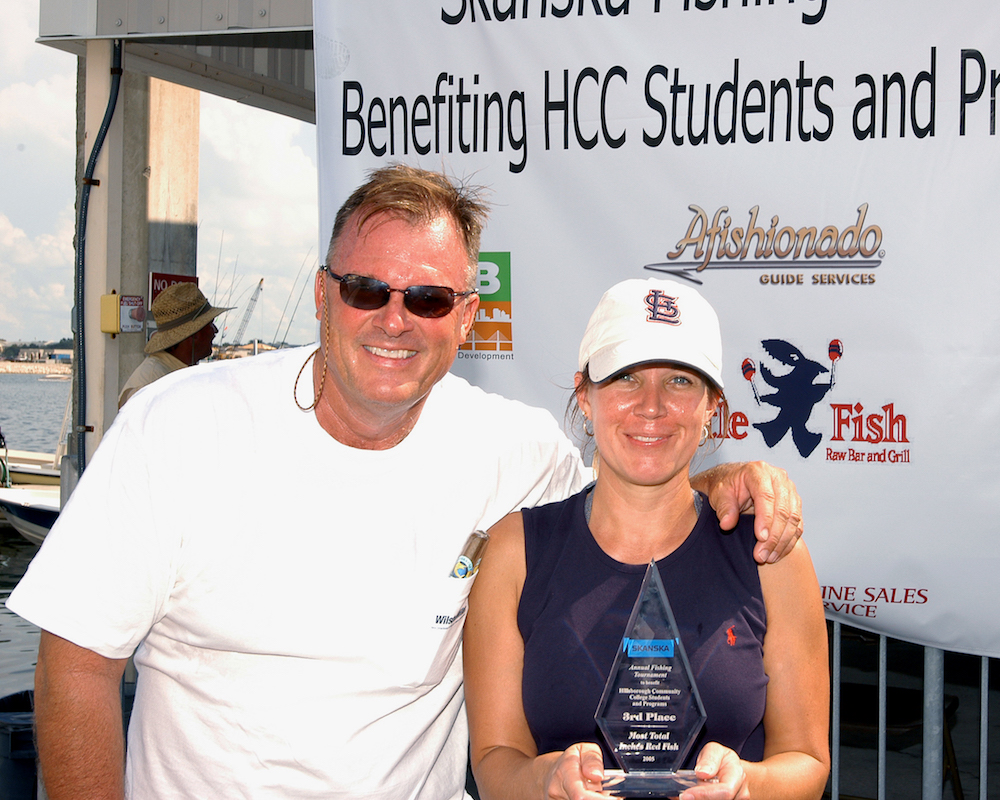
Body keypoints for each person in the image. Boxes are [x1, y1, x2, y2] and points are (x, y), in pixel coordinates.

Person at [8, 166, 803, 800]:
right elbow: (76, 664)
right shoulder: (179, 425)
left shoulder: (509, 450)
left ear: (466, 317)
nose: (395, 319)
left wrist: (733, 480)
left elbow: (638, 485)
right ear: (323, 295)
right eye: (366, 290)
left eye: (427, 298)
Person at [463, 278, 830, 800]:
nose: (652, 405)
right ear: (584, 396)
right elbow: (496, 761)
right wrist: (547, 781)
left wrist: (748, 784)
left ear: (712, 407)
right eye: (626, 378)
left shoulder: (769, 554)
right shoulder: (515, 553)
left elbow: (809, 763)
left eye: (680, 381)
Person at [117, 282, 230, 407]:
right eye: (210, 324)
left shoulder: (174, 372)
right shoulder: (152, 383)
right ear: (194, 333)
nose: (215, 331)